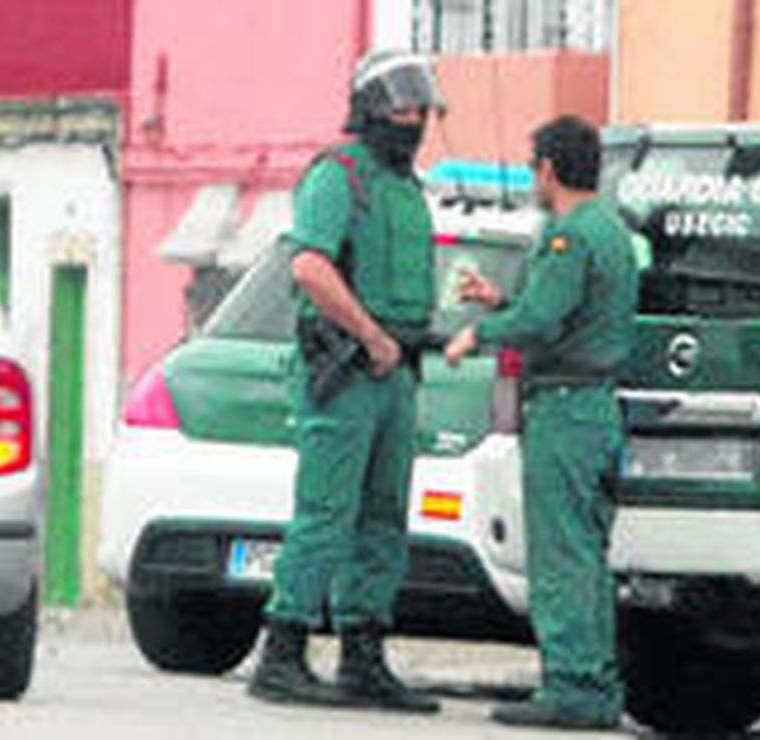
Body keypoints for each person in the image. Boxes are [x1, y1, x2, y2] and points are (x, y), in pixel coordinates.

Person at [247, 50, 445, 713]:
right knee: (326, 514)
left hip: (397, 373)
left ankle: (364, 654)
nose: (413, 120)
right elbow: (308, 267)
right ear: (368, 107)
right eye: (401, 107)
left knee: (385, 517)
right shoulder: (340, 175)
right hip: (347, 369)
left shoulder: (408, 186)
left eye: (421, 109)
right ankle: (283, 651)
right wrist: (371, 334)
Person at [446, 115, 639, 730]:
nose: (533, 178)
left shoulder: (567, 236)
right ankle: (596, 681)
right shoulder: (609, 230)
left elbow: (544, 323)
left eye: (534, 168)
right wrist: (502, 301)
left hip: (565, 409)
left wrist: (479, 331)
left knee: (561, 555)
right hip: (598, 408)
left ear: (549, 169)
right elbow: (564, 311)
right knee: (585, 550)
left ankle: (573, 686)